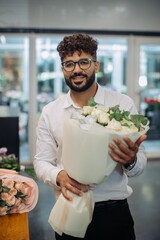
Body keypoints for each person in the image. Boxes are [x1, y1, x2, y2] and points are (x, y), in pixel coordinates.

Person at [33, 33, 147, 240]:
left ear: (96, 65)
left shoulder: (123, 104)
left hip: (114, 213)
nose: (76, 70)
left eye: (83, 62)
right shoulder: (51, 112)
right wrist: (59, 177)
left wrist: (131, 160)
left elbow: (139, 167)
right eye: (69, 64)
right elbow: (41, 161)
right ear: (62, 69)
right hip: (70, 207)